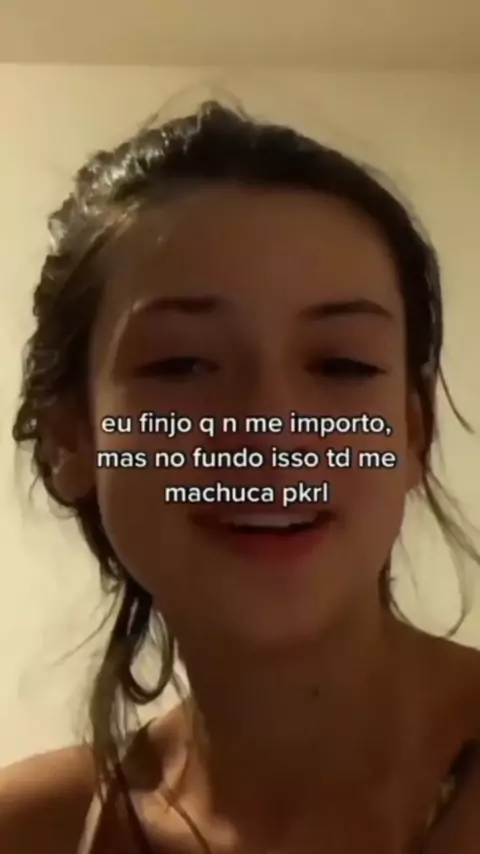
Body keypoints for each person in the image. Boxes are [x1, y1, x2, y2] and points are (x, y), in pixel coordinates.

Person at [1, 100, 480, 854]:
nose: (270, 430)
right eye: (182, 364)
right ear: (73, 438)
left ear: (411, 435)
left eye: (341, 365)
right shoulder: (32, 831)